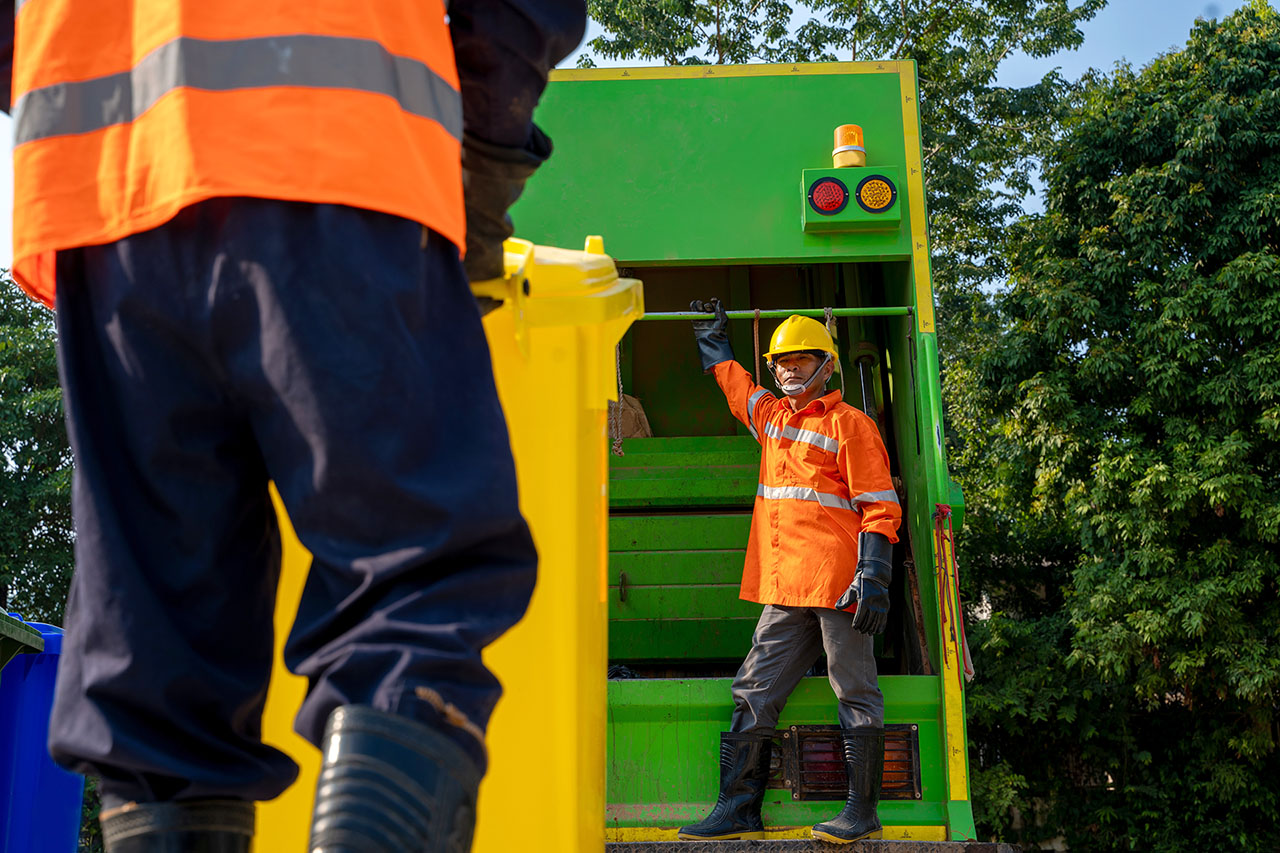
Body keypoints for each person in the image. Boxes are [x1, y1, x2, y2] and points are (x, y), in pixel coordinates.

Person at [1, 1, 585, 850]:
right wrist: (484, 156)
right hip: (335, 148)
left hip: (105, 199)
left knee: (158, 654)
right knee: (412, 589)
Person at [681, 300, 902, 844]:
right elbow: (739, 391)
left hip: (838, 586)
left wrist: (874, 577)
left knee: (854, 692)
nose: (788, 370)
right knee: (754, 689)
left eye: (801, 360)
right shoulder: (774, 419)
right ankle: (738, 811)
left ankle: (862, 814)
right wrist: (713, 343)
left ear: (828, 366)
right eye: (780, 362)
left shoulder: (851, 425)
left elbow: (879, 505)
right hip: (785, 587)